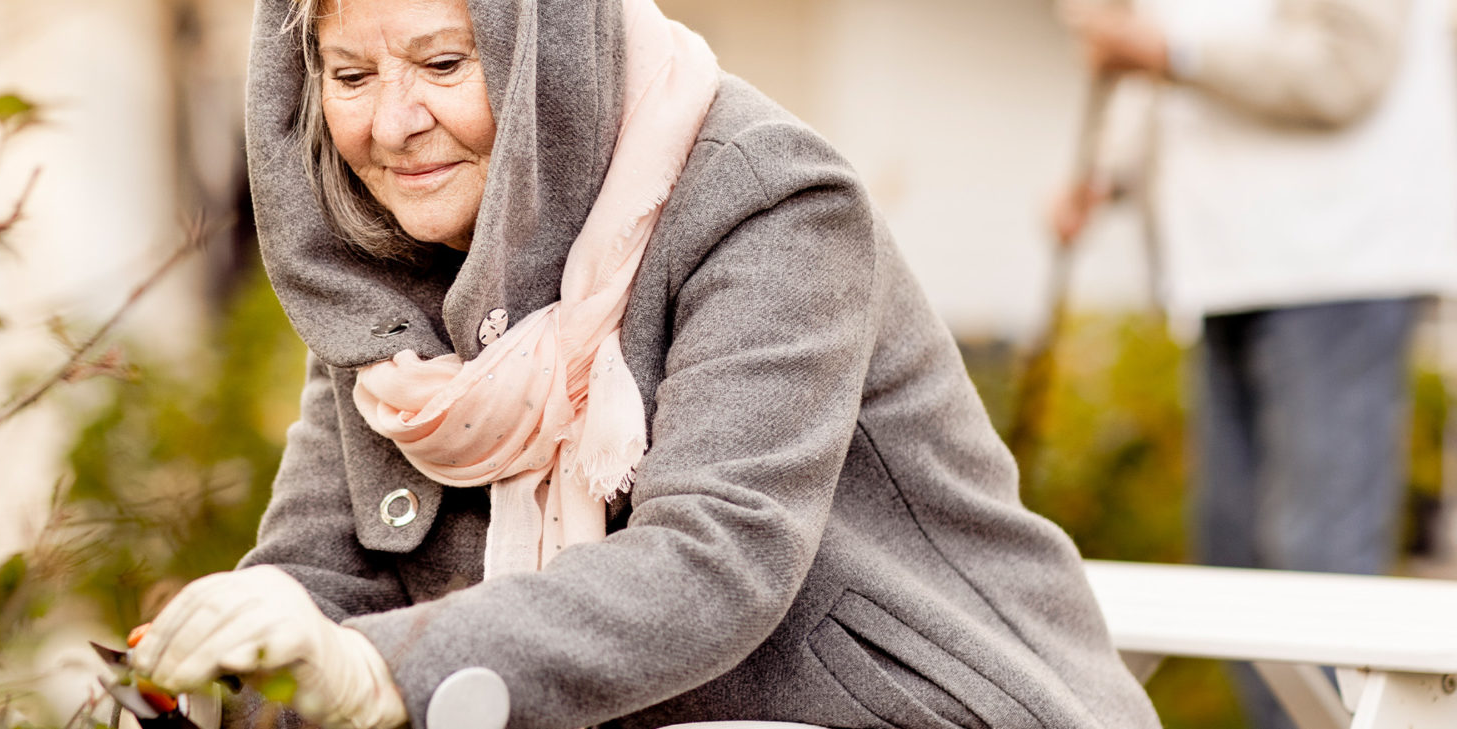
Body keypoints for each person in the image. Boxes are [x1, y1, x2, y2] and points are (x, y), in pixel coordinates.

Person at [129, 0, 1161, 726]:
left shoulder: (768, 200)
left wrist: (376, 670)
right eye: (350, 76)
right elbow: (323, 573)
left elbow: (714, 561)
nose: (392, 126)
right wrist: (234, 668)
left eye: (443, 66)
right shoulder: (382, 265)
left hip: (922, 709)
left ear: (542, 50)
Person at [1054, 1, 1457, 727]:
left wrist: (1169, 52)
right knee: (1232, 564)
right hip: (1220, 266)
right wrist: (1109, 175)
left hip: (1339, 261)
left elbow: (1345, 72)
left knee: (1317, 574)